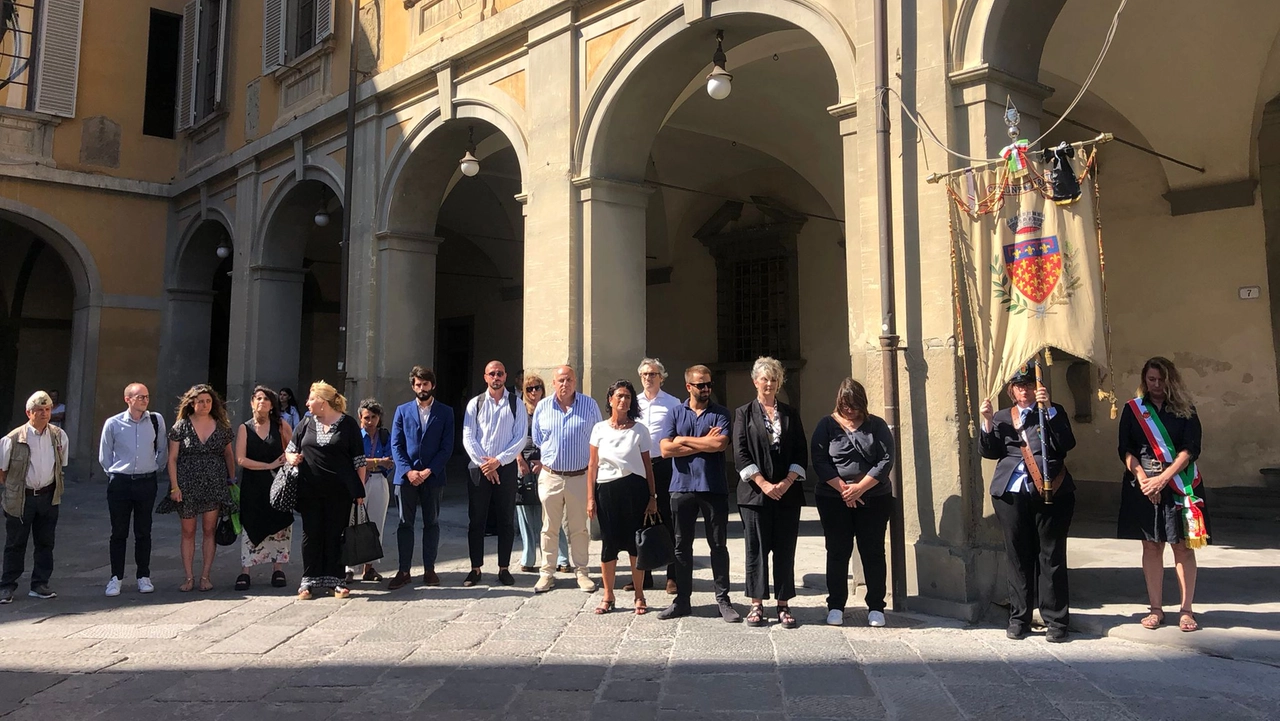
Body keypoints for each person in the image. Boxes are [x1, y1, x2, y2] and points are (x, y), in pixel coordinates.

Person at [979, 363, 1076, 642]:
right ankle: (1019, 617)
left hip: (1050, 489)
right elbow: (989, 451)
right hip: (1011, 492)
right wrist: (987, 422)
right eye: (1020, 386)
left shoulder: (1053, 411)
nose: (1025, 390)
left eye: (1030, 385)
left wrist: (1050, 411)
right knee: (1018, 556)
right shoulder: (1002, 417)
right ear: (1012, 390)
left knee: (1051, 555)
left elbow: (1066, 444)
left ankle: (1056, 620)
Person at [1117, 356, 1208, 633]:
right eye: (1151, 379)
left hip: (1179, 484)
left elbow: (1191, 448)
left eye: (1161, 380)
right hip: (1143, 485)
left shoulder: (1185, 410)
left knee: (1182, 546)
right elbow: (1125, 449)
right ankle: (1155, 608)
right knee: (1151, 546)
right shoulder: (1133, 409)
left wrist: (1163, 479)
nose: (1156, 385)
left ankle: (1186, 609)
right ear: (1144, 380)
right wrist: (1144, 479)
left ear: (1171, 380)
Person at [658, 365, 739, 623]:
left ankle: (723, 600)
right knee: (682, 547)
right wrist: (698, 442)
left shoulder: (721, 413)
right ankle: (682, 600)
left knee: (718, 545)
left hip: (712, 486)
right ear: (688, 387)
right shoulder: (675, 412)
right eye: (700, 385)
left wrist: (682, 440)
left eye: (709, 384)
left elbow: (719, 444)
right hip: (681, 487)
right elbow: (665, 450)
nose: (706, 389)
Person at [812, 378, 894, 628]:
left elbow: (886, 460)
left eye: (856, 406)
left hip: (873, 497)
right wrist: (843, 489)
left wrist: (860, 488)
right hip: (834, 499)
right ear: (839, 402)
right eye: (847, 406)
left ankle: (876, 606)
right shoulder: (826, 425)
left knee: (872, 551)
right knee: (837, 551)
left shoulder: (876, 425)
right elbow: (819, 460)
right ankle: (836, 605)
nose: (851, 411)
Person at [732, 357, 807, 628]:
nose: (769, 383)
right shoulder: (743, 413)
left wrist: (786, 482)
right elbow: (740, 453)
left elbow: (800, 450)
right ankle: (756, 604)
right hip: (754, 495)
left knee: (785, 549)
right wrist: (763, 484)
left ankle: (783, 604)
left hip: (787, 494)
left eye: (774, 379)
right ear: (755, 382)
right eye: (764, 378)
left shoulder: (790, 413)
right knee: (757, 549)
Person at [285, 382, 367, 599]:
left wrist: (360, 491)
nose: (307, 403)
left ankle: (336, 580)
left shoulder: (348, 424)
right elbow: (290, 450)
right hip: (309, 490)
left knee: (335, 533)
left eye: (311, 399)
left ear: (322, 401)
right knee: (310, 534)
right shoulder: (305, 423)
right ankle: (308, 580)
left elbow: (359, 461)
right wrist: (292, 458)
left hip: (340, 492)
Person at [587, 379, 659, 615]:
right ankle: (608, 595)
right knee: (609, 544)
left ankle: (639, 595)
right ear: (610, 399)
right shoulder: (599, 429)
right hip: (606, 491)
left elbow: (648, 467)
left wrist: (652, 496)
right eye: (619, 396)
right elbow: (593, 465)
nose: (623, 400)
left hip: (634, 490)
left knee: (634, 544)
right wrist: (590, 498)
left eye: (628, 396)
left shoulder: (640, 430)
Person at [157, 384, 237, 593]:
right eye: (201, 401)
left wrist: (232, 480)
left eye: (208, 401)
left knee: (210, 530)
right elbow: (172, 459)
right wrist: (174, 487)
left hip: (214, 482)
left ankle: (205, 576)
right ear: (192, 403)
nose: (205, 404)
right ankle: (189, 577)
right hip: (187, 484)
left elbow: (228, 454)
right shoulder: (181, 426)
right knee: (188, 531)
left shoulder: (221, 426)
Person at [530, 365, 601, 594]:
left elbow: (598, 438)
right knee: (549, 527)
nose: (565, 384)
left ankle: (582, 572)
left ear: (575, 382)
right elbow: (539, 439)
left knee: (579, 528)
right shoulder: (542, 407)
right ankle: (547, 573)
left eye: (569, 380)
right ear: (553, 383)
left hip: (579, 477)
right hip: (551, 476)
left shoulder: (589, 405)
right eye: (560, 380)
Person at [0, 391, 69, 604]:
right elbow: (2, 471)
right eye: (39, 410)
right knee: (15, 543)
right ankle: (7, 585)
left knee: (45, 542)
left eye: (47, 410)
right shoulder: (12, 438)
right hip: (22, 498)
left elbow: (61, 465)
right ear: (28, 413)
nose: (44, 414)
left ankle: (40, 583)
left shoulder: (58, 435)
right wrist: (13, 490)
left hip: (48, 496)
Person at [462, 361, 527, 586]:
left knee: (505, 520)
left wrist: (498, 462)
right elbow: (468, 436)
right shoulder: (475, 404)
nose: (496, 377)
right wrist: (485, 464)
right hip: (479, 467)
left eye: (500, 373)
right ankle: (475, 568)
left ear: (505, 375)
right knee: (476, 519)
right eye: (492, 373)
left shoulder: (516, 404)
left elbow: (519, 437)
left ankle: (504, 568)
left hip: (506, 468)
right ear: (485, 376)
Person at [389, 366, 454, 590]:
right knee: (404, 523)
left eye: (425, 384)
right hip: (406, 477)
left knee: (431, 523)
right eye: (417, 384)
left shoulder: (445, 412)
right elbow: (396, 445)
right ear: (413, 386)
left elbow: (447, 447)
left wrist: (429, 471)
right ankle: (404, 570)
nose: (421, 388)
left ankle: (429, 569)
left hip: (432, 477)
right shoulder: (402, 410)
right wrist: (408, 471)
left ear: (432, 385)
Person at [99, 383, 166, 597]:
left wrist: (154, 467)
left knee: (143, 531)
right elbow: (105, 455)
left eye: (146, 396)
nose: (145, 401)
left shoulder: (156, 420)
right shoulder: (113, 423)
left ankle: (143, 576)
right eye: (140, 397)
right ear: (128, 399)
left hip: (146, 481)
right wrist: (115, 473)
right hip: (121, 482)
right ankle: (115, 577)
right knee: (118, 531)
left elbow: (162, 449)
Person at [234, 386, 294, 591]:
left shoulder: (280, 426)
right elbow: (241, 459)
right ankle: (246, 570)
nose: (262, 402)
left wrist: (284, 461)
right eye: (258, 398)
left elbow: (292, 450)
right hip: (253, 484)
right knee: (251, 524)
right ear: (252, 403)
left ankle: (278, 568)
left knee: (279, 525)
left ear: (272, 405)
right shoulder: (245, 428)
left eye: (267, 399)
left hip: (278, 485)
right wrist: (267, 466)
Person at [634, 357, 681, 595]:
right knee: (640, 519)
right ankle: (645, 573)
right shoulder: (634, 403)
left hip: (664, 465)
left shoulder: (673, 403)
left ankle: (672, 575)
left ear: (661, 377)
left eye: (652, 374)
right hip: (639, 465)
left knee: (667, 517)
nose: (648, 378)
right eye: (644, 374)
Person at [515, 374, 569, 573]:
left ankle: (562, 558)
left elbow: (557, 438)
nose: (533, 392)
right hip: (523, 466)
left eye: (537, 388)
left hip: (546, 465)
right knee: (525, 514)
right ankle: (528, 558)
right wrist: (519, 459)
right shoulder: (519, 411)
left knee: (551, 514)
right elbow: (513, 437)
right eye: (529, 389)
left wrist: (543, 462)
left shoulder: (549, 410)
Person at [348, 399, 392, 584]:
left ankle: (370, 567)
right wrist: (377, 461)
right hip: (358, 482)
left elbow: (390, 460)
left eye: (374, 417)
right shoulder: (354, 437)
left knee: (376, 524)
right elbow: (354, 461)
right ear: (360, 418)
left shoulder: (384, 436)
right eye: (367, 417)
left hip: (378, 481)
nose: (370, 421)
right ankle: (349, 567)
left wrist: (372, 463)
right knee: (353, 523)